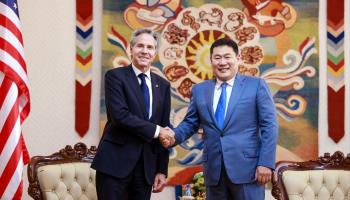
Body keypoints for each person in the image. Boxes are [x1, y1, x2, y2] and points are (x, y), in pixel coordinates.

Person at [161, 38, 278, 200]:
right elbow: (190, 123)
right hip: (214, 171)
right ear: (211, 61)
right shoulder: (200, 90)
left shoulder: (256, 85)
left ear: (237, 58)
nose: (222, 62)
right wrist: (173, 136)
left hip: (248, 170)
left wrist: (265, 163)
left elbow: (270, 126)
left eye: (227, 57)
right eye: (217, 58)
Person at [91, 28, 174, 200]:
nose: (145, 51)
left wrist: (161, 170)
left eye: (150, 47)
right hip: (114, 165)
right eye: (140, 46)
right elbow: (120, 116)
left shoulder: (163, 85)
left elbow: (165, 126)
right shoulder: (115, 77)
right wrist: (158, 131)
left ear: (155, 53)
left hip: (145, 169)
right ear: (131, 49)